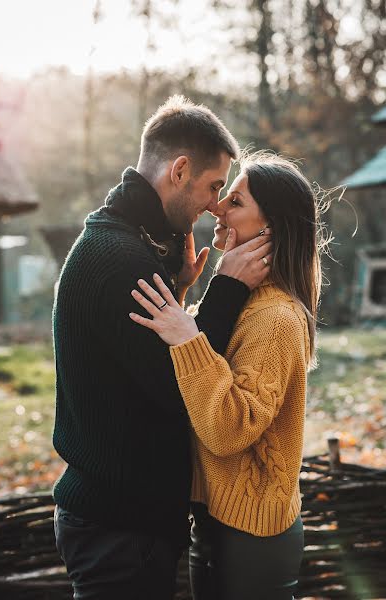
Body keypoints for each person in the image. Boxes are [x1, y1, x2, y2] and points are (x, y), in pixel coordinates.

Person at [52, 96, 272, 600]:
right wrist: (228, 288)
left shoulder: (117, 239)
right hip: (121, 529)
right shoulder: (123, 260)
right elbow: (182, 388)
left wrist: (179, 292)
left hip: (114, 521)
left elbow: (137, 360)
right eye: (215, 186)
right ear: (179, 170)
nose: (216, 204)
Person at [129, 151, 324, 600]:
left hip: (252, 534)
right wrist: (183, 289)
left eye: (235, 202)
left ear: (270, 228)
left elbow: (228, 427)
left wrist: (186, 338)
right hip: (217, 519)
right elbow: (198, 350)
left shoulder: (275, 318)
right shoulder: (246, 302)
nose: (217, 207)